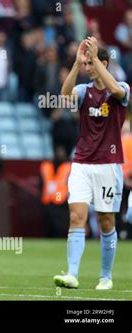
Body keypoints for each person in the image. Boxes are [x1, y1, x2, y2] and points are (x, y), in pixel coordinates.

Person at [54, 37, 130, 290]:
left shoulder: (121, 87)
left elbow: (118, 93)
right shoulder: (84, 91)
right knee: (77, 216)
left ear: (103, 63)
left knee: (106, 221)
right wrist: (76, 65)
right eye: (86, 63)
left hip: (109, 165)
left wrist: (96, 59)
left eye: (91, 63)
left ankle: (105, 276)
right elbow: (64, 97)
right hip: (82, 163)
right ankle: (72, 275)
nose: (88, 67)